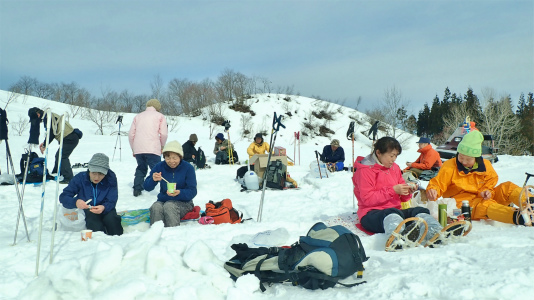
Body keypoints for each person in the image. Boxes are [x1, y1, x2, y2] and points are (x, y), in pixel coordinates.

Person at [353, 136, 444, 250]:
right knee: (392, 215)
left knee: (420, 211)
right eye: (391, 156)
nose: (394, 159)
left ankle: (437, 233)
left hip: (396, 211)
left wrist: (407, 191)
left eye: (396, 155)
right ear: (378, 153)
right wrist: (393, 190)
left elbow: (404, 198)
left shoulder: (394, 168)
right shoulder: (365, 171)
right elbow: (367, 199)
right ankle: (396, 240)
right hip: (371, 214)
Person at [426, 130, 530, 226]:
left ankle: (530, 202)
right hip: (463, 204)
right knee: (485, 206)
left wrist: (486, 191)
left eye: (468, 159)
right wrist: (433, 190)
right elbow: (438, 183)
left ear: (476, 158)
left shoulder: (486, 165)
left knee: (507, 187)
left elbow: (491, 181)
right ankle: (521, 217)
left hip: (483, 197)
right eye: (461, 157)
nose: (464, 161)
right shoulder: (450, 166)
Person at [59, 153, 123, 235]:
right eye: (94, 173)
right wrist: (76, 202)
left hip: (105, 208)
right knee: (95, 226)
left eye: (101, 174)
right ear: (89, 170)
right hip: (88, 210)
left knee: (113, 222)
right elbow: (64, 196)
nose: (96, 178)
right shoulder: (80, 178)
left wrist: (104, 207)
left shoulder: (110, 179)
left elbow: (112, 199)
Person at [144, 141, 197, 227]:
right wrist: (153, 180)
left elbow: (193, 191)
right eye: (168, 158)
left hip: (184, 203)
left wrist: (180, 192)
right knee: (156, 207)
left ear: (180, 157)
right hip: (163, 200)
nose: (171, 161)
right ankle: (155, 235)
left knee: (170, 206)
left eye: (174, 158)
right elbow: (146, 187)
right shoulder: (160, 166)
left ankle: (172, 236)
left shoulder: (188, 168)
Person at [29, 107, 81, 184]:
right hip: (70, 137)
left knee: (62, 156)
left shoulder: (48, 117)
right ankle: (56, 173)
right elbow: (52, 132)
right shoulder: (49, 115)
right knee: (58, 155)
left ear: (38, 114)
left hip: (70, 138)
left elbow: (51, 133)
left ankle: (69, 178)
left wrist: (44, 145)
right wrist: (44, 143)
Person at [128, 99, 168, 197]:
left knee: (141, 168)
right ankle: (165, 190)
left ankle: (137, 189)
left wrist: (133, 148)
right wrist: (162, 146)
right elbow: (163, 134)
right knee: (159, 170)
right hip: (153, 148)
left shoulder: (138, 116)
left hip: (138, 148)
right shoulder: (160, 116)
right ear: (157, 107)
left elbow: (130, 134)